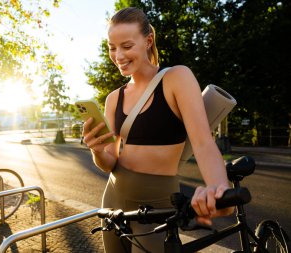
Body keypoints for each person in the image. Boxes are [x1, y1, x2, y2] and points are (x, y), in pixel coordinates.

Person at [82, 7, 233, 253]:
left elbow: (204, 143)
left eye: (127, 46)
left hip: (157, 205)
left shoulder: (176, 78)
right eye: (112, 47)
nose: (118, 55)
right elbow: (110, 162)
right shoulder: (113, 99)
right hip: (113, 200)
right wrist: (97, 150)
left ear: (148, 40)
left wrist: (219, 187)